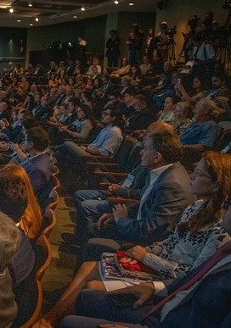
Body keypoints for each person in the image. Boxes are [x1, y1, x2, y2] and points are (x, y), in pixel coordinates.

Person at [42, 152, 230, 326]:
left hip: (165, 279)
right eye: (194, 171)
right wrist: (147, 251)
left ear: (216, 184)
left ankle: (53, 318)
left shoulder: (220, 230)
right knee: (87, 267)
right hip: (157, 264)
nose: (192, 176)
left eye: (199, 173)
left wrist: (145, 256)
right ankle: (51, 317)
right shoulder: (196, 207)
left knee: (91, 285)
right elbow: (170, 241)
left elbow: (191, 277)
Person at [77, 130, 195, 266]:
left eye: (145, 149)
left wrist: (121, 220)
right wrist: (118, 214)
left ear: (157, 157)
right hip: (140, 228)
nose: (141, 152)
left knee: (93, 243)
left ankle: (82, 282)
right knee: (93, 228)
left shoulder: (171, 184)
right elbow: (146, 202)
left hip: (146, 245)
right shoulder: (165, 172)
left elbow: (150, 232)